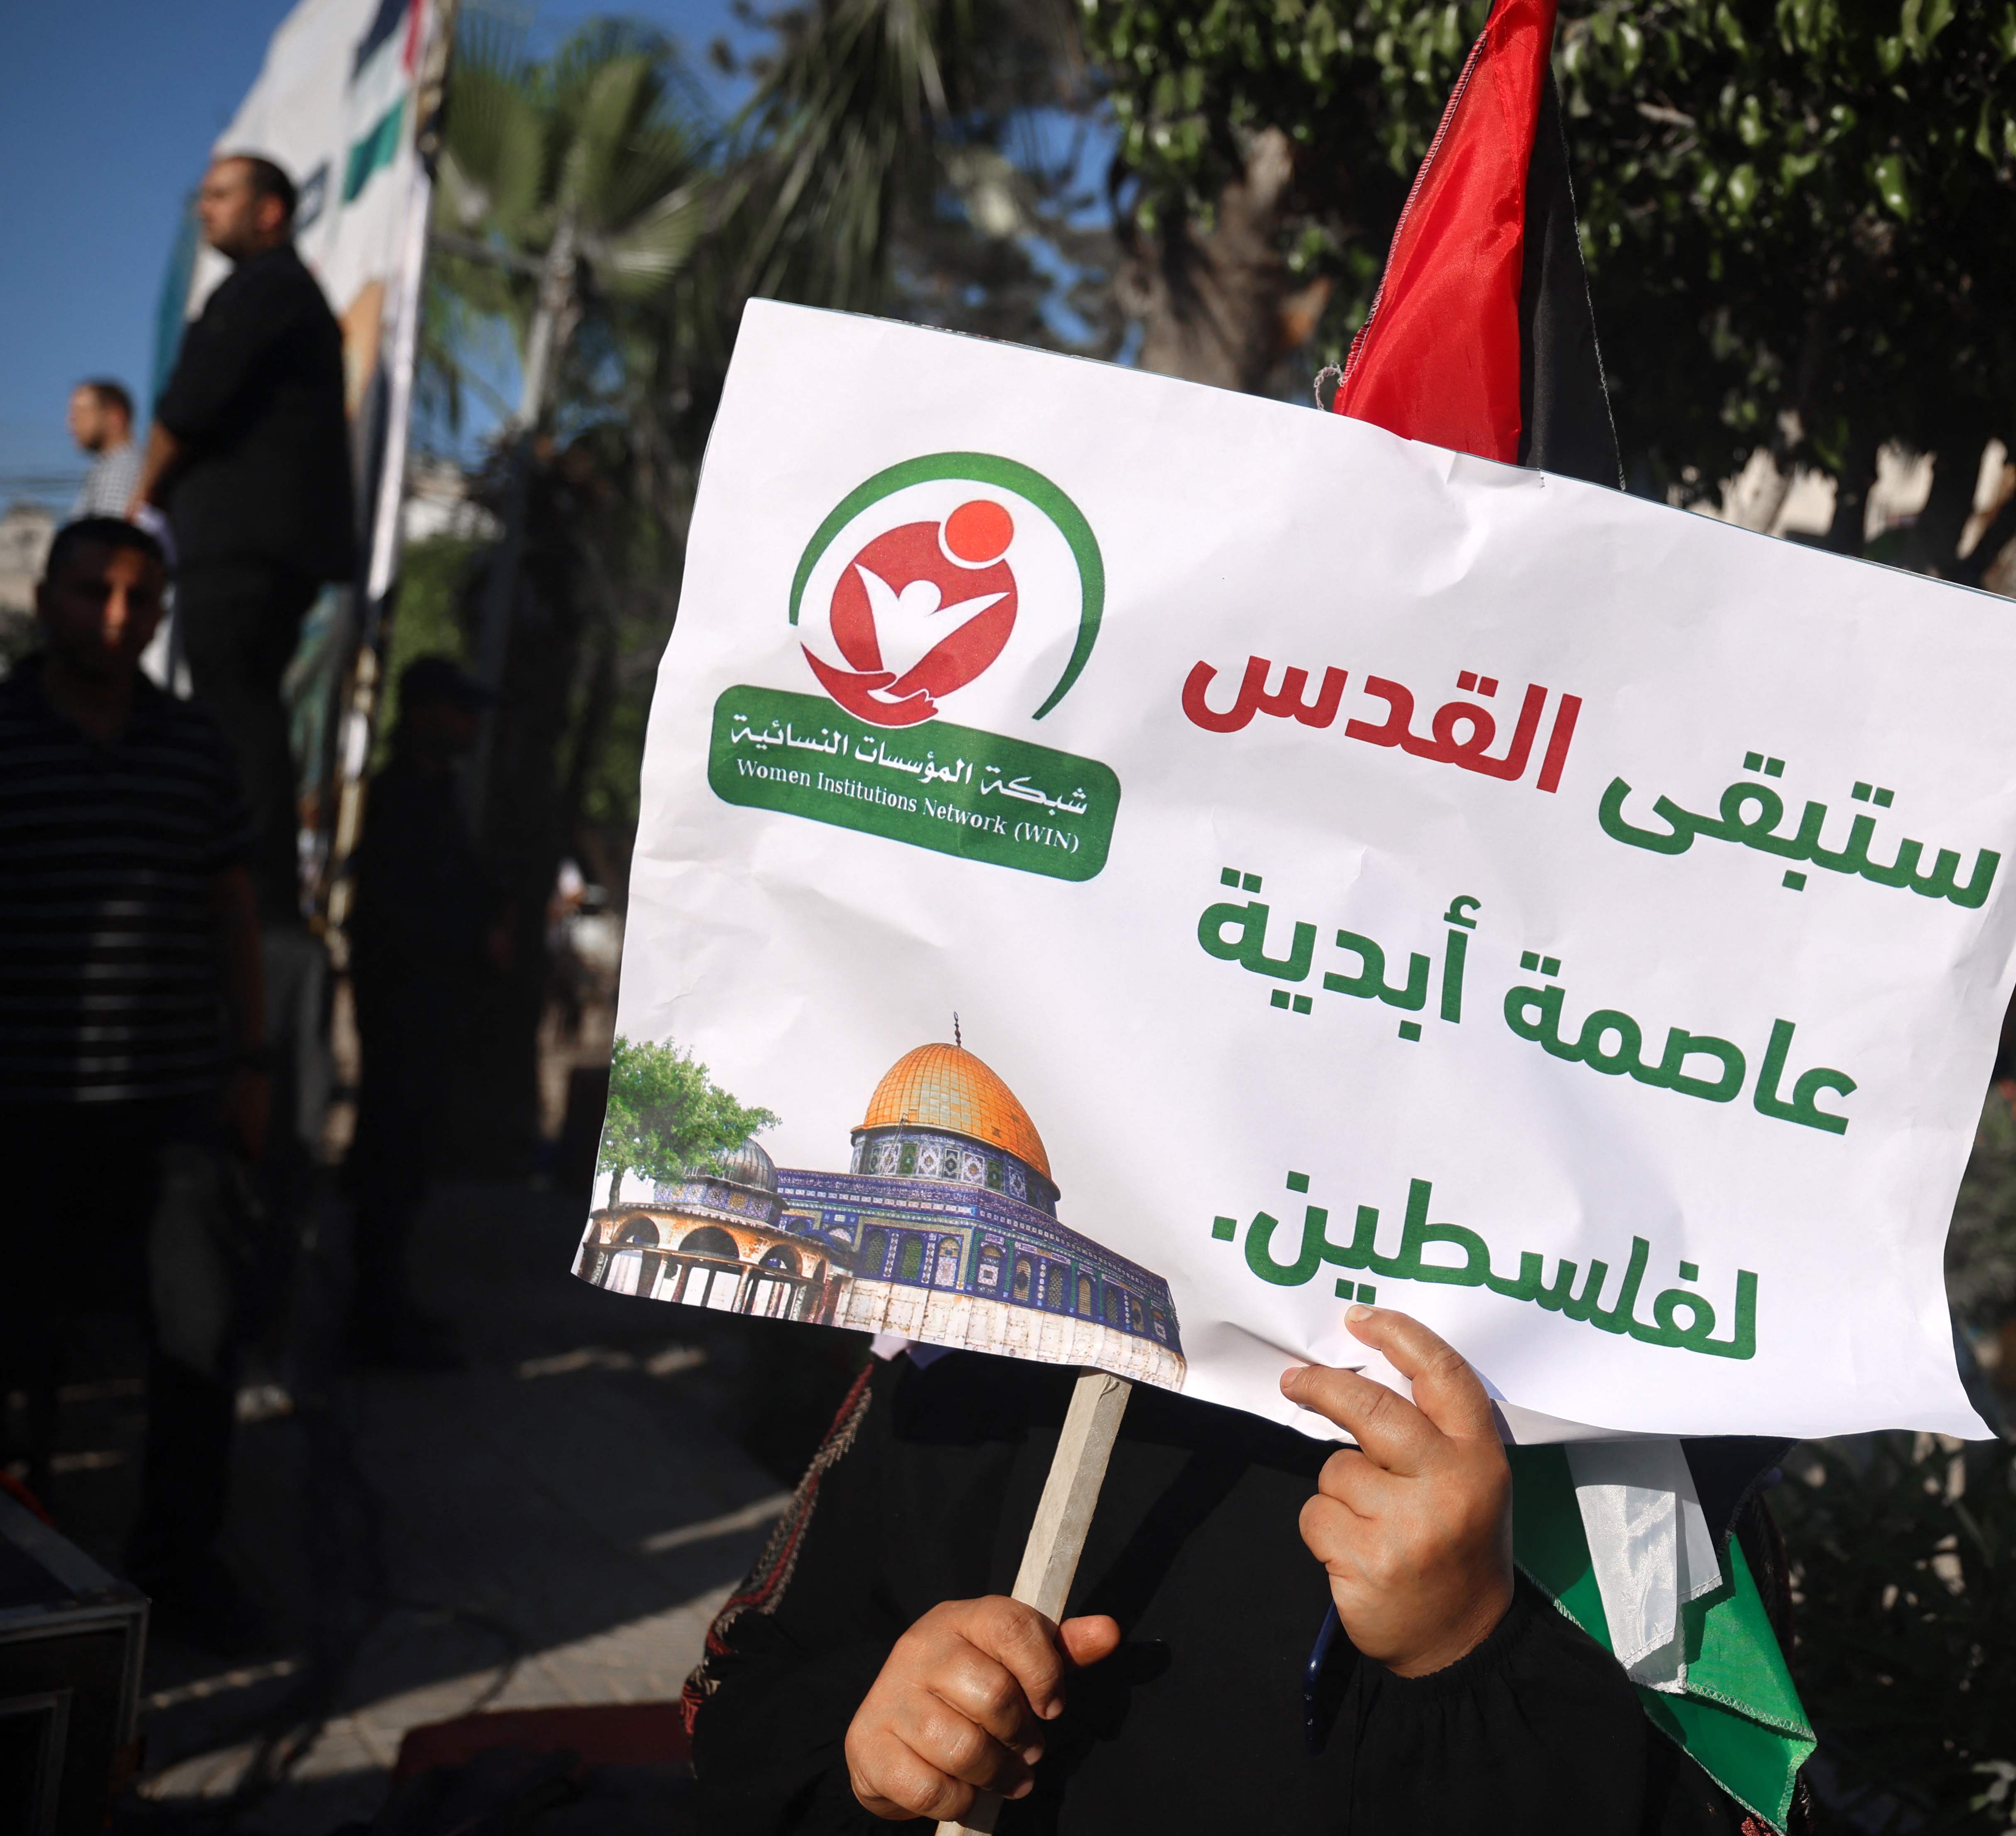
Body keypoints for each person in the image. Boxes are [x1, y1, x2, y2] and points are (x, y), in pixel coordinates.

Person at [687, 1307, 1794, 1835]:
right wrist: (879, 1751)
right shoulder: (986, 1341)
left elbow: (1707, 1809)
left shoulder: (1639, 1449)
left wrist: (1466, 1652)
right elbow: (747, 1713)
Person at [0, 517, 269, 1640]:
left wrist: (254, 1058)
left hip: (169, 1110)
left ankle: (182, 1563)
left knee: (199, 1334)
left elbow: (234, 912)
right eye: (94, 592)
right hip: (6, 1101)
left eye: (141, 598)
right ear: (45, 601)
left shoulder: (195, 745)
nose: (118, 615)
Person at [131, 152, 357, 925]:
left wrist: (142, 494)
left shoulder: (265, 288)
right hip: (260, 545)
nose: (205, 210)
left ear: (271, 211)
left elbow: (188, 407)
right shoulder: (286, 292)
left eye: (222, 195)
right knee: (239, 711)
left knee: (236, 716)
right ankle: (251, 895)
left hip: (244, 546)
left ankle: (255, 904)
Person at [342, 656, 505, 1366]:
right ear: (424, 714)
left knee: (407, 1169)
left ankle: (385, 1306)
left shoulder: (440, 796)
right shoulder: (398, 799)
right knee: (388, 1163)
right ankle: (372, 1317)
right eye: (457, 709)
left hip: (433, 1011)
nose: (470, 726)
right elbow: (399, 913)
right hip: (405, 1010)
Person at [67, 379, 144, 521]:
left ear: (115, 416)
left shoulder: (120, 470)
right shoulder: (108, 467)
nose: (71, 423)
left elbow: (108, 537)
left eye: (82, 412)